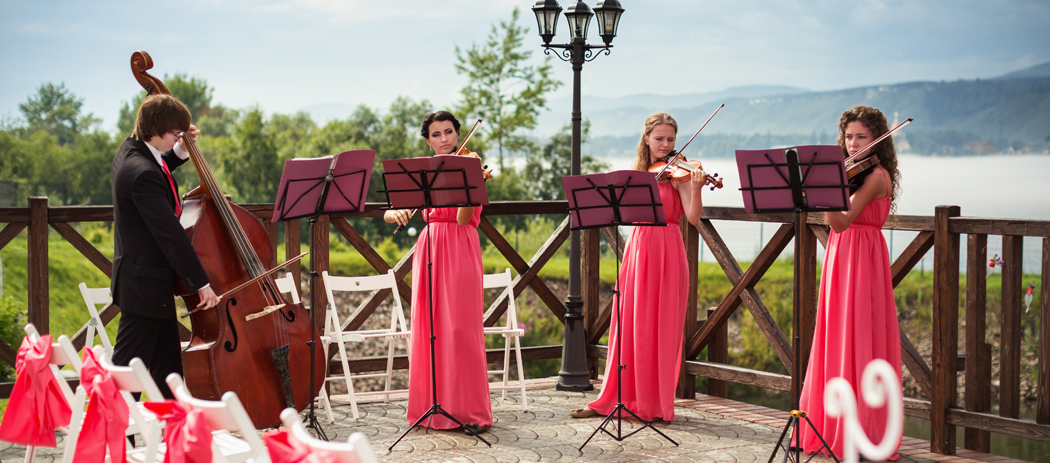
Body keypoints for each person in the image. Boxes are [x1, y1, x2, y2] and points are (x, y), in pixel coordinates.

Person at [570, 111, 706, 422]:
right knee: (630, 323)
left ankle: (653, 403)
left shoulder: (680, 173)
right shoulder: (639, 174)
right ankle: (617, 397)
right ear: (646, 139)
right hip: (638, 247)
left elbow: (694, 217)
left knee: (661, 327)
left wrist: (696, 187)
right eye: (659, 138)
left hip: (668, 249)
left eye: (670, 139)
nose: (665, 144)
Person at [798, 105, 903, 458]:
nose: (853, 144)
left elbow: (841, 221)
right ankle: (831, 425)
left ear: (877, 141)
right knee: (836, 334)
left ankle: (860, 432)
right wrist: (827, 184)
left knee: (858, 335)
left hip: (861, 256)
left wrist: (824, 187)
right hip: (843, 255)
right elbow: (837, 224)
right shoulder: (853, 173)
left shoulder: (876, 176)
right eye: (848, 137)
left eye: (862, 137)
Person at [384, 110, 493, 434]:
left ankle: (471, 412)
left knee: (461, 329)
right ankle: (430, 409)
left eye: (448, 132)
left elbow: (462, 219)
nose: (444, 139)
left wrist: (469, 183)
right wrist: (398, 212)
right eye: (436, 134)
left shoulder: (470, 165)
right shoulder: (420, 171)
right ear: (428, 140)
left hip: (460, 245)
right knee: (428, 329)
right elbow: (389, 213)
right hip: (429, 245)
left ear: (458, 134)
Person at [111, 94, 219, 399]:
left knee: (168, 376)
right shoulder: (142, 174)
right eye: (175, 133)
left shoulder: (131, 150)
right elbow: (171, 234)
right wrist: (201, 283)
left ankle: (172, 437)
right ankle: (112, 437)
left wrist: (179, 150)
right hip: (143, 286)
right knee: (126, 379)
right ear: (158, 131)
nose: (179, 137)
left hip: (146, 282)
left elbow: (158, 166)